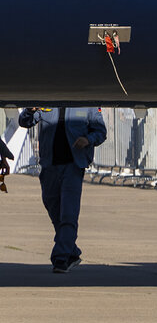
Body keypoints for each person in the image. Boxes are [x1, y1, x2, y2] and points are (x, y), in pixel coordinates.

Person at [18, 106, 107, 272]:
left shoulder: (88, 105)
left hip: (73, 166)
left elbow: (100, 131)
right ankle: (72, 252)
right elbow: (25, 122)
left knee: (68, 213)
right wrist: (29, 111)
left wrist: (88, 139)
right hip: (49, 165)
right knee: (54, 210)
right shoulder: (46, 100)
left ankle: (61, 258)